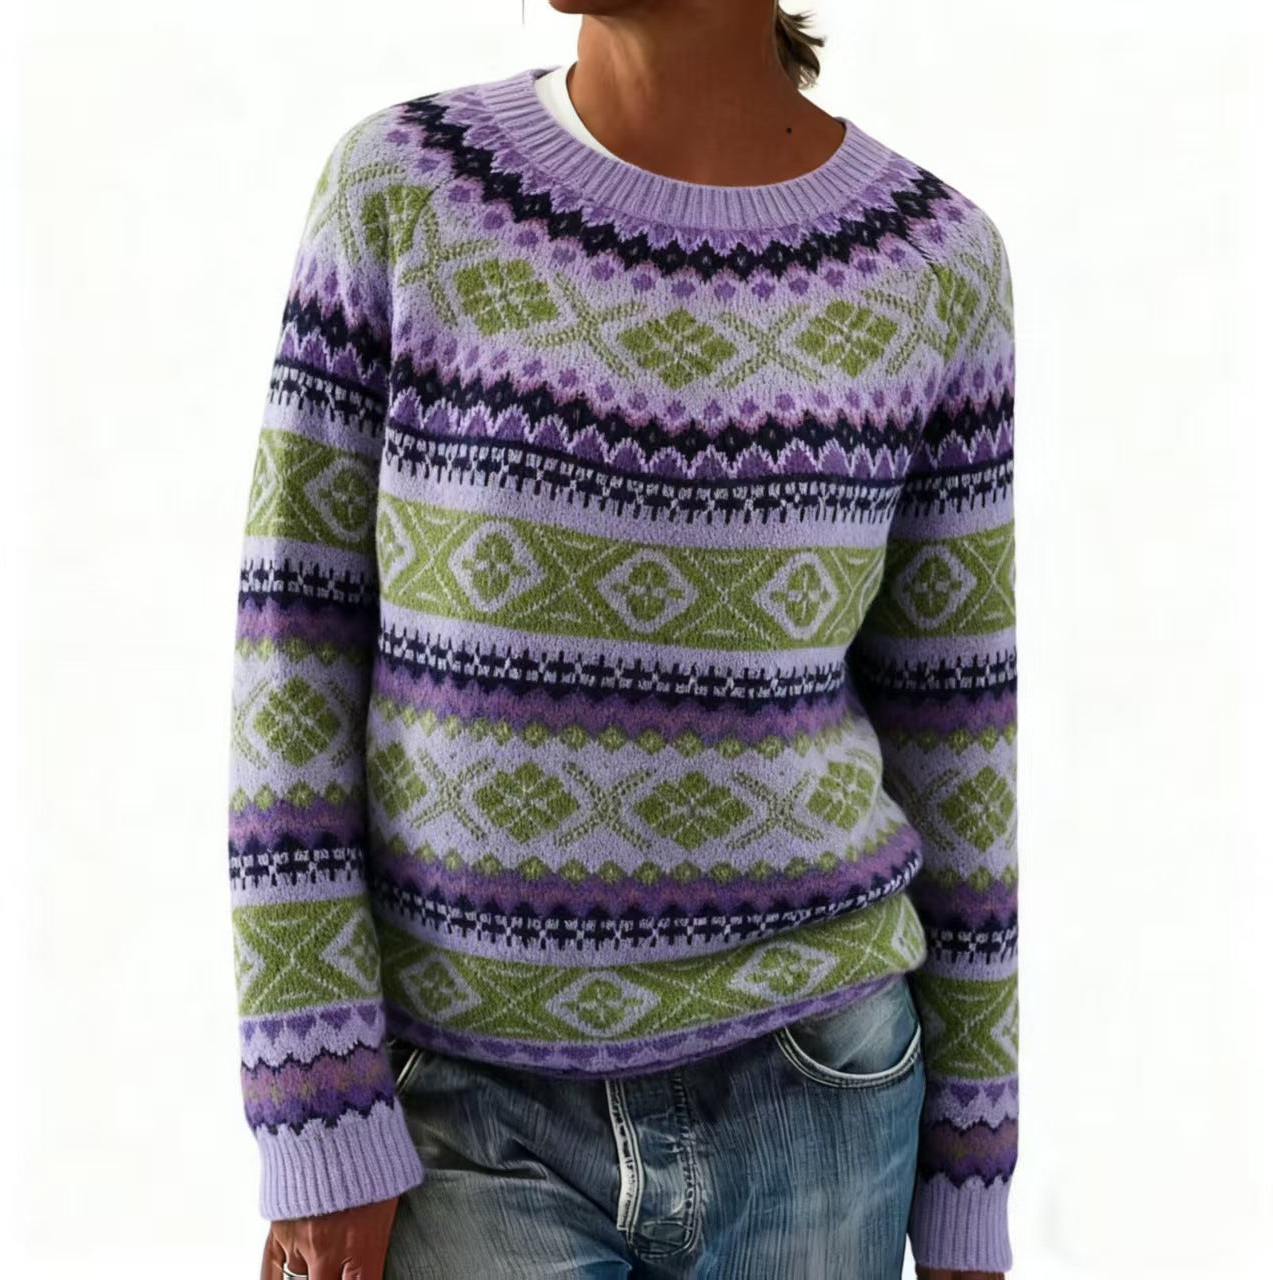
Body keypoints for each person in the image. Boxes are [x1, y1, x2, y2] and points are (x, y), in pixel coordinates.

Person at [227, 3, 1018, 1278]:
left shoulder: (932, 264)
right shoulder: (405, 190)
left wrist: (970, 1174)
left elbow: (958, 734)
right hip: (461, 1115)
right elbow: (292, 659)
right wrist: (316, 1107)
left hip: (820, 1093)